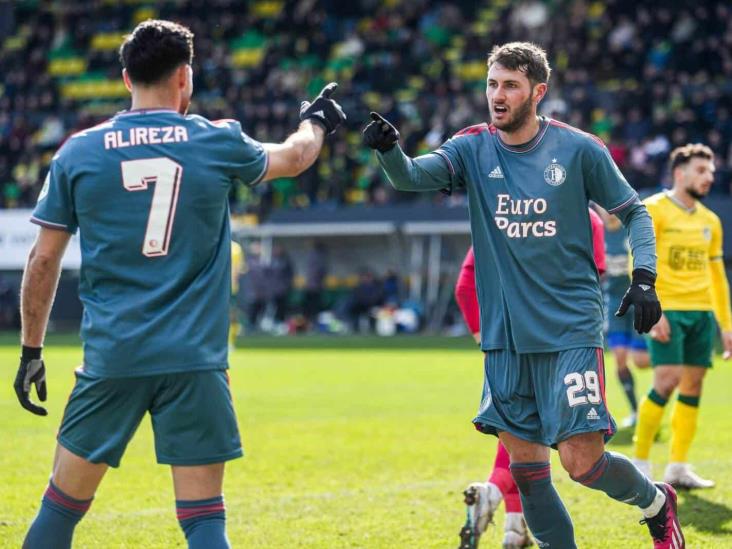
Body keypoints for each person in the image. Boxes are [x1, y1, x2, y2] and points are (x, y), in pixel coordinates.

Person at [12, 19, 346, 549]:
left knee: (60, 510)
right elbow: (298, 156)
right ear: (185, 77)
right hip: (196, 361)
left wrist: (31, 349)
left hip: (113, 359)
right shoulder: (216, 140)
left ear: (126, 78)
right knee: (204, 519)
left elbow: (43, 260)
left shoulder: (78, 151)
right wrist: (317, 121)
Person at [364, 42, 682, 548]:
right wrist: (388, 151)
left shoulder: (578, 149)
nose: (497, 95)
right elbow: (411, 177)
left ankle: (656, 503)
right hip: (506, 338)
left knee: (582, 463)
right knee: (529, 473)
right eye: (492, 84)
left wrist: (644, 278)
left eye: (509, 85)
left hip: (569, 329)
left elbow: (636, 212)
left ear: (538, 91)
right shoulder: (472, 146)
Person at [454, 207, 605, 549]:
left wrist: (485, 335)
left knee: (519, 433)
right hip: (559, 344)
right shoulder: (584, 217)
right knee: (553, 446)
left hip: (504, 345)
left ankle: (513, 527)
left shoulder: (502, 213)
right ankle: (492, 493)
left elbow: (465, 284)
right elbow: (589, 283)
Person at [632, 143, 732, 489]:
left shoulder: (710, 221)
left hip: (702, 311)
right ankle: (641, 461)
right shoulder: (653, 210)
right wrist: (652, 308)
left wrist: (726, 324)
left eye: (712, 172)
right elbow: (640, 264)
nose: (709, 177)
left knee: (693, 384)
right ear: (679, 173)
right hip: (668, 309)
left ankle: (677, 466)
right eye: (702, 171)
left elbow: (717, 275)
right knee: (667, 380)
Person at [600, 207, 651, 428]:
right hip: (613, 305)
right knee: (620, 359)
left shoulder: (629, 231)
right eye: (604, 208)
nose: (609, 212)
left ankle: (656, 400)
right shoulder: (596, 233)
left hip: (636, 303)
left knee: (641, 361)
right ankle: (636, 412)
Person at [229, 239, 244, 350]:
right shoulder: (235, 247)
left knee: (231, 316)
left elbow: (239, 269)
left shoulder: (235, 248)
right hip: (226, 287)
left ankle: (230, 342)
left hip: (230, 288)